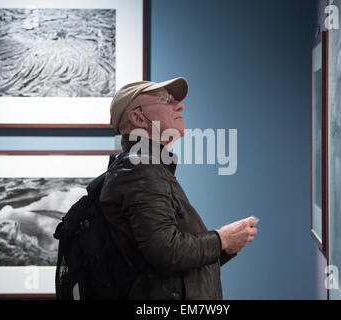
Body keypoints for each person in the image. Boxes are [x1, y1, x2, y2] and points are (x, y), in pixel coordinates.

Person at [99, 77, 258, 300]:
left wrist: (225, 246)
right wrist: (222, 239)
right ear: (138, 117)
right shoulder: (140, 169)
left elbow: (170, 265)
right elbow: (165, 250)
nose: (180, 105)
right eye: (166, 100)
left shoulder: (147, 166)